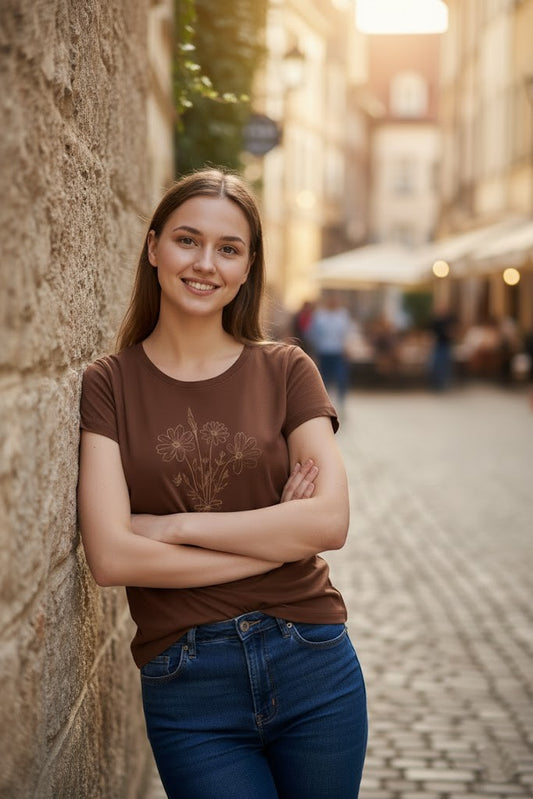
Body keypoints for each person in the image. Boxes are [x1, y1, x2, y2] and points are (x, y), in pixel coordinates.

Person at [78, 169, 367, 799]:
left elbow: (328, 524)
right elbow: (111, 557)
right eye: (187, 240)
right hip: (189, 685)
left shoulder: (288, 370)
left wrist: (174, 530)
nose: (205, 263)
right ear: (153, 247)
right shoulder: (109, 385)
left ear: (247, 266)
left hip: (312, 659)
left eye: (228, 248)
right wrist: (275, 538)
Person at [308, 293, 352, 408]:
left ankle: (341, 401)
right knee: (323, 379)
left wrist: (347, 347)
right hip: (323, 351)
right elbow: (313, 334)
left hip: (338, 352)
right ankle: (323, 403)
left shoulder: (343, 315)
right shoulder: (319, 315)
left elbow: (346, 334)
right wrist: (314, 351)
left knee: (341, 378)